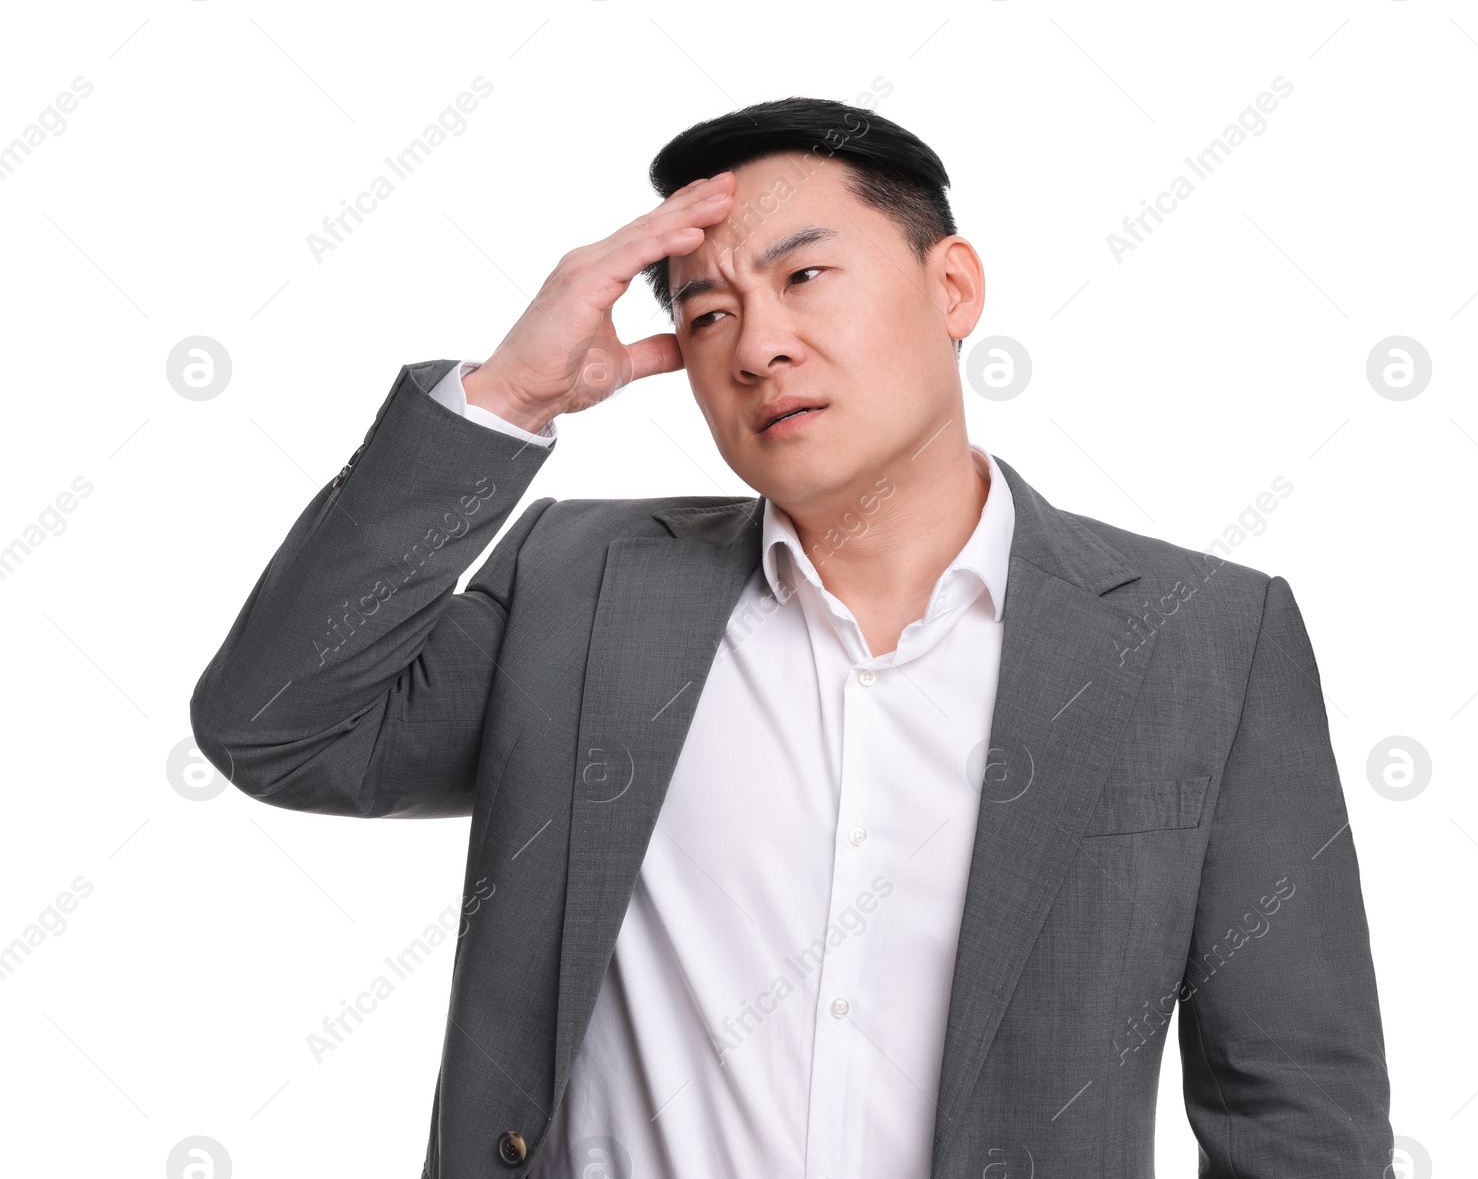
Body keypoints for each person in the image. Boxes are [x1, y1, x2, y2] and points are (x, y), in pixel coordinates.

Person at [191, 96, 1391, 1178]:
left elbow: (1294, 1106)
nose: (756, 346)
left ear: (953, 287)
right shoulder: (579, 581)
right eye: (707, 311)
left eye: (804, 277)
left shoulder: (1204, 641)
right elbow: (279, 728)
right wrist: (507, 398)